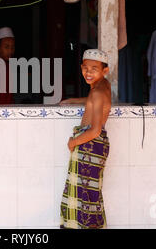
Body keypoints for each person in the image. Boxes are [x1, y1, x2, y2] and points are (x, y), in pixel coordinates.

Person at [59, 49, 112, 229]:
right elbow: (93, 101)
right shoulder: (103, 86)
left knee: (84, 198)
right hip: (93, 147)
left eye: (94, 69)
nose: (88, 73)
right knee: (90, 196)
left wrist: (73, 142)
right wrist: (74, 100)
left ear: (104, 71)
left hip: (89, 145)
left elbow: (95, 130)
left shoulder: (97, 92)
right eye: (85, 68)